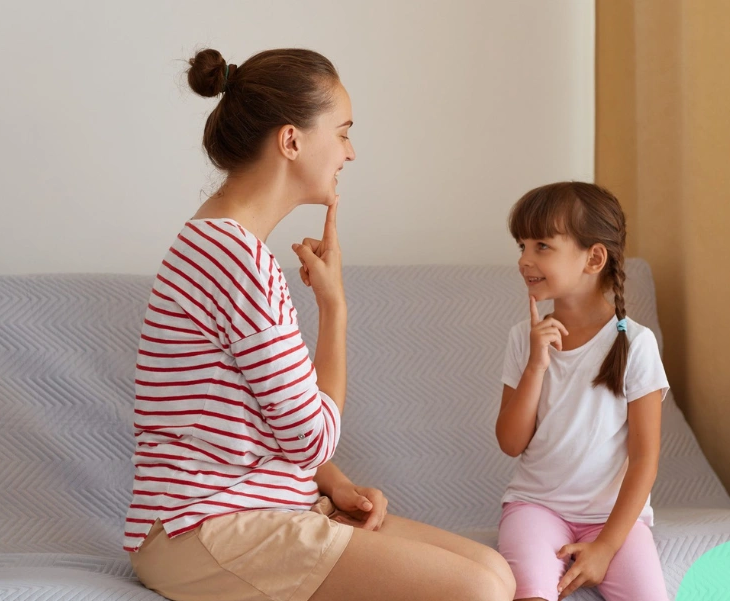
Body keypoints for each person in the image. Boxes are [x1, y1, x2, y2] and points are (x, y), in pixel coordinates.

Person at [124, 47, 515, 601]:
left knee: (494, 570)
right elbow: (312, 438)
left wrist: (335, 484)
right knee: (479, 590)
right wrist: (335, 309)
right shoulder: (240, 260)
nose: (350, 153)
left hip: (238, 510)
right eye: (343, 133)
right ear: (291, 141)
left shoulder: (215, 241)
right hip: (203, 528)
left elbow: (264, 423)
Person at [495, 182, 669, 601]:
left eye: (541, 246)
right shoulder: (524, 338)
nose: (524, 260)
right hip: (536, 507)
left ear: (593, 258)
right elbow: (510, 442)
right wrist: (537, 364)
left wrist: (607, 547)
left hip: (612, 519)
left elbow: (645, 459)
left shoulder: (636, 343)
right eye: (521, 246)